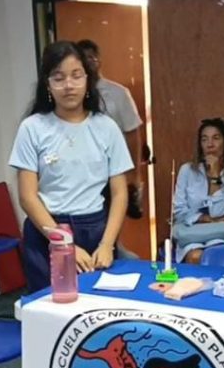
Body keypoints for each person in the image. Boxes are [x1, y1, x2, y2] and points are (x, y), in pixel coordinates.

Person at [10, 41, 132, 293]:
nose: (68, 85)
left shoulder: (106, 127)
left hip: (95, 231)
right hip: (47, 230)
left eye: (76, 76)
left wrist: (108, 244)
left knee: (97, 314)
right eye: (59, 77)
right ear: (48, 83)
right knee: (49, 313)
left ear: (88, 79)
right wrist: (64, 244)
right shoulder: (32, 128)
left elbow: (120, 193)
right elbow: (27, 197)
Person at [77, 39, 146, 257]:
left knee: (109, 224)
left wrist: (135, 174)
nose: (89, 62)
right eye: (83, 58)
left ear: (99, 60)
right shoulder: (74, 97)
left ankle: (114, 255)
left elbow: (133, 133)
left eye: (92, 57)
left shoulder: (118, 93)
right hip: (82, 174)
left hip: (112, 171)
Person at [172, 118, 224, 264]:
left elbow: (218, 212)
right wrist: (206, 219)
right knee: (196, 256)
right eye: (204, 139)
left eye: (216, 138)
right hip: (191, 233)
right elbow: (179, 211)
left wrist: (214, 176)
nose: (210, 144)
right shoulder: (187, 170)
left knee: (217, 257)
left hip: (220, 234)